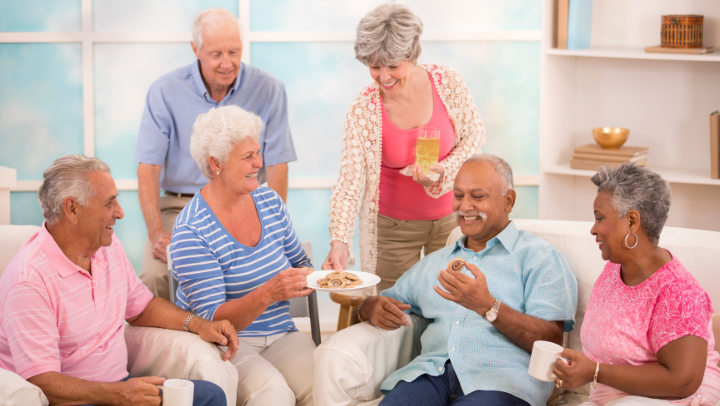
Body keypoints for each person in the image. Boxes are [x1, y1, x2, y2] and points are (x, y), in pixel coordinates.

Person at [0, 155, 239, 406]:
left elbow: (141, 308)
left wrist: (199, 324)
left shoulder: (107, 245)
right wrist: (119, 395)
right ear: (72, 208)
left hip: (119, 389)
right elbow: (43, 383)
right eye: (109, 203)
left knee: (210, 395)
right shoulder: (29, 281)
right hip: (73, 400)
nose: (120, 213)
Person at [355, 154, 578, 406]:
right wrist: (368, 307)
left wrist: (488, 307)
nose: (465, 206)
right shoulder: (435, 262)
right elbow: (386, 303)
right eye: (459, 195)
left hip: (501, 383)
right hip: (430, 375)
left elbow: (550, 340)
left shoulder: (540, 257)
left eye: (478, 196)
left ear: (509, 200)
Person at [135, 7, 298, 301]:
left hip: (244, 200)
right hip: (179, 208)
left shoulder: (270, 89)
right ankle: (176, 344)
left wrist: (271, 221)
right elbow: (148, 169)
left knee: (257, 275)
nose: (227, 63)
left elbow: (277, 166)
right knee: (154, 277)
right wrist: (157, 232)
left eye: (234, 51)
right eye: (216, 54)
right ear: (195, 49)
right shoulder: (164, 91)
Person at [322, 4, 486, 292]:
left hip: (453, 221)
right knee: (393, 313)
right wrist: (340, 243)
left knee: (450, 308)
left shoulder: (448, 83)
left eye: (393, 65)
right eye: (374, 66)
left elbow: (475, 135)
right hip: (392, 231)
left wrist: (444, 170)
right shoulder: (364, 109)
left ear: (412, 56)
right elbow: (349, 184)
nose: (384, 77)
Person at [170, 105, 315, 406]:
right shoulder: (192, 230)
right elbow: (212, 320)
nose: (259, 163)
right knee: (274, 396)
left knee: (326, 383)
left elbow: (302, 263)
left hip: (281, 334)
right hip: (227, 343)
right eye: (247, 156)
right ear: (216, 163)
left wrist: (321, 276)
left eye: (258, 152)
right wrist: (269, 293)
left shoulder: (270, 202)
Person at [553, 163, 720, 406]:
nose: (593, 229)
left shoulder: (679, 292)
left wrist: (595, 371)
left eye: (599, 218)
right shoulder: (615, 268)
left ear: (632, 221)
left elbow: (683, 382)